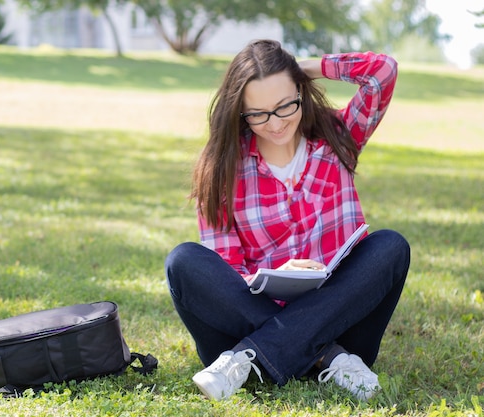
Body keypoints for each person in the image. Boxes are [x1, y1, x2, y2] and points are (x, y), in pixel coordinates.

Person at [165, 39, 410, 401]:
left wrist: (302, 67)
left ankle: (254, 356)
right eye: (258, 113)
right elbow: (227, 270)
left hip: (339, 318)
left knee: (390, 246)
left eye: (285, 106)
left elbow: (382, 72)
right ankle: (328, 357)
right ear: (240, 112)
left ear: (301, 92)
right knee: (184, 261)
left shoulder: (336, 137)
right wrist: (276, 276)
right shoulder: (222, 167)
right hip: (248, 317)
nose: (275, 123)